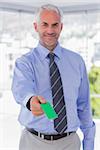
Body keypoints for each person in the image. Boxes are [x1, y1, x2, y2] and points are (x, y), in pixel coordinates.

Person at [11, 4, 95, 150]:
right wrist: (31, 101)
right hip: (33, 142)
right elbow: (22, 89)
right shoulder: (25, 63)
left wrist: (89, 145)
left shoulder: (76, 61)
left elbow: (84, 106)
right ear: (36, 27)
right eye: (45, 24)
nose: (50, 30)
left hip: (70, 143)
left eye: (55, 25)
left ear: (61, 27)